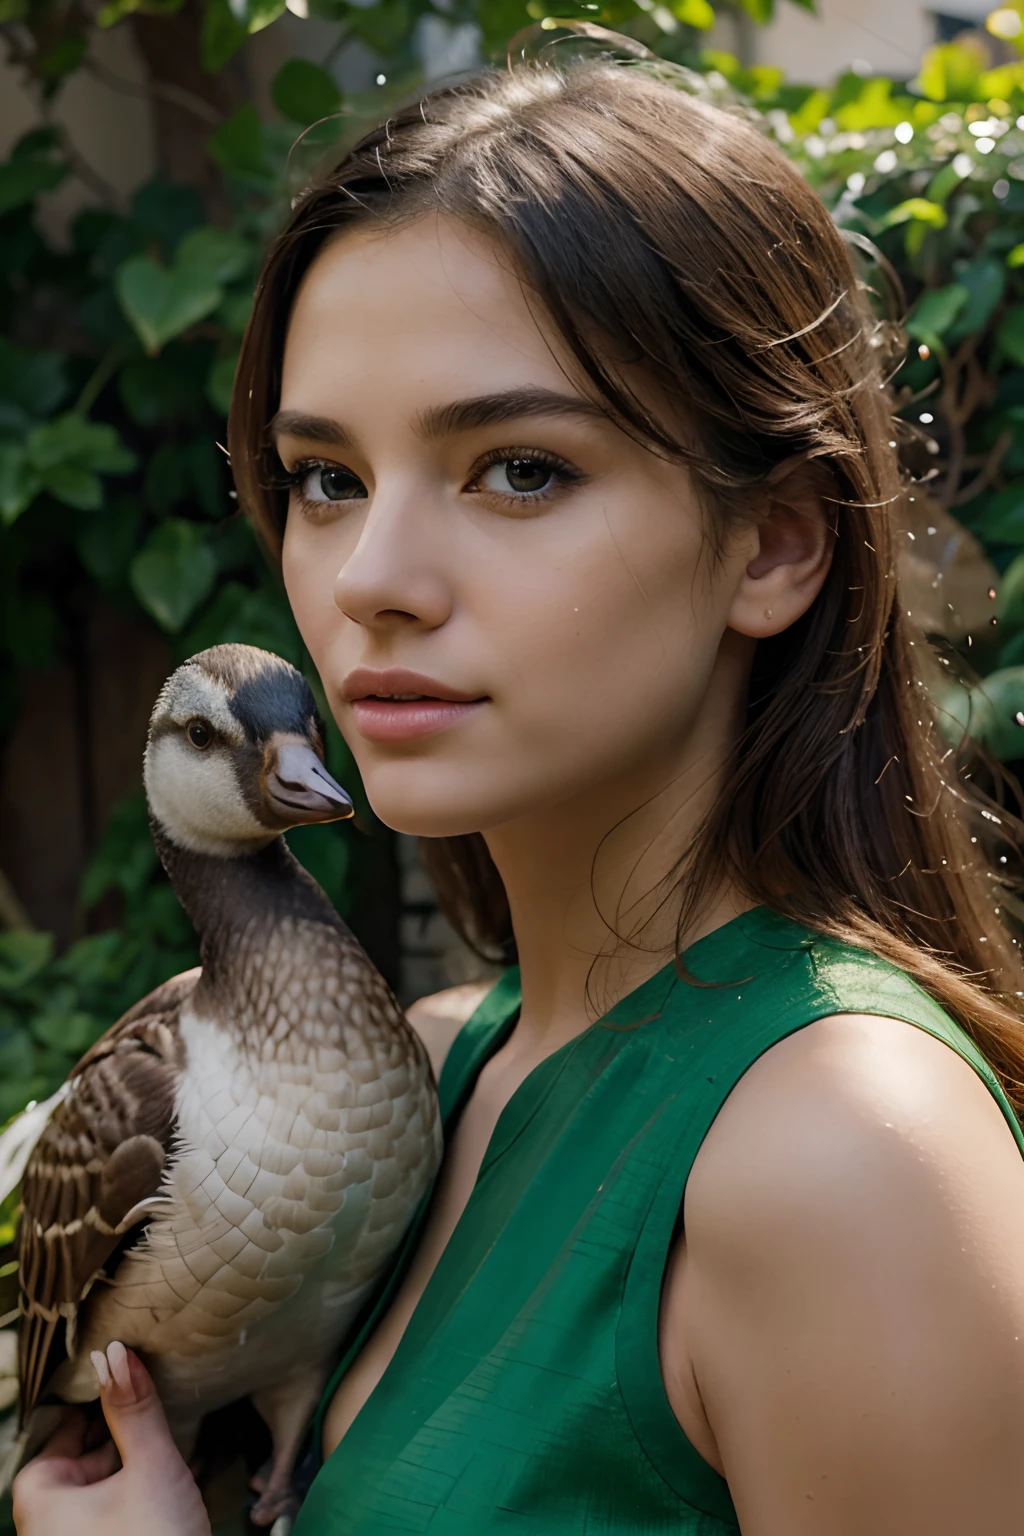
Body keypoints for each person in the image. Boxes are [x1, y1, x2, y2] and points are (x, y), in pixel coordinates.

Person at [14, 49, 1024, 1536]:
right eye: (326, 479)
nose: (370, 584)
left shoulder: (843, 1162)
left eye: (521, 470)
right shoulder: (445, 1075)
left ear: (775, 548)